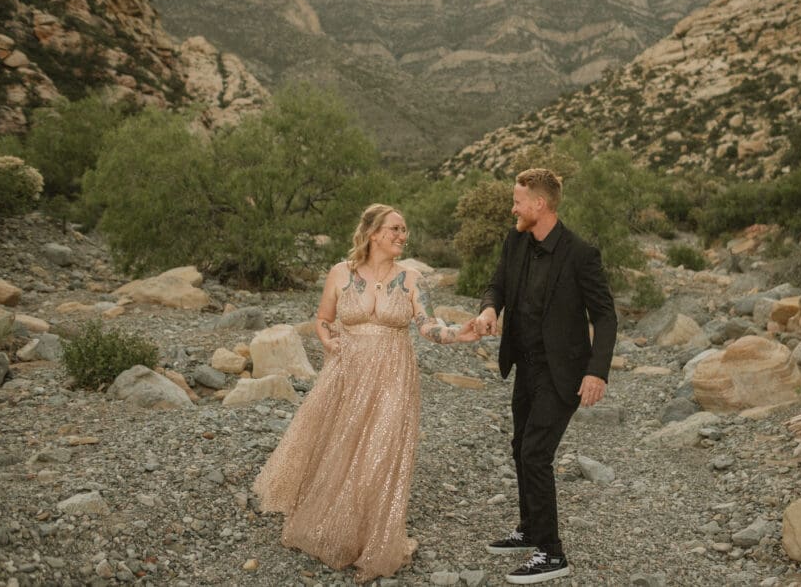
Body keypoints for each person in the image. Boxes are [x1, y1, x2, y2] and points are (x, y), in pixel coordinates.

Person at [252, 203, 479, 584]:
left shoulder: (410, 278)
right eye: (394, 229)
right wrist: (331, 344)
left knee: (382, 450)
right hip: (346, 372)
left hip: (393, 374)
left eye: (405, 230)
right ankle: (330, 525)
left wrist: (459, 333)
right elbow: (323, 320)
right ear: (373, 233)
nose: (402, 236)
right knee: (336, 446)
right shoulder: (341, 274)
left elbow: (426, 325)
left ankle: (372, 540)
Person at [475, 168, 617, 584]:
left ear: (539, 204)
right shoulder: (516, 240)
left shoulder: (580, 253)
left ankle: (552, 553)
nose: (512, 208)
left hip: (565, 373)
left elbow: (605, 316)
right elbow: (496, 285)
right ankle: (531, 528)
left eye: (517, 201)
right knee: (522, 446)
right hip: (525, 365)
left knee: (536, 452)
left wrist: (597, 372)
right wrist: (488, 309)